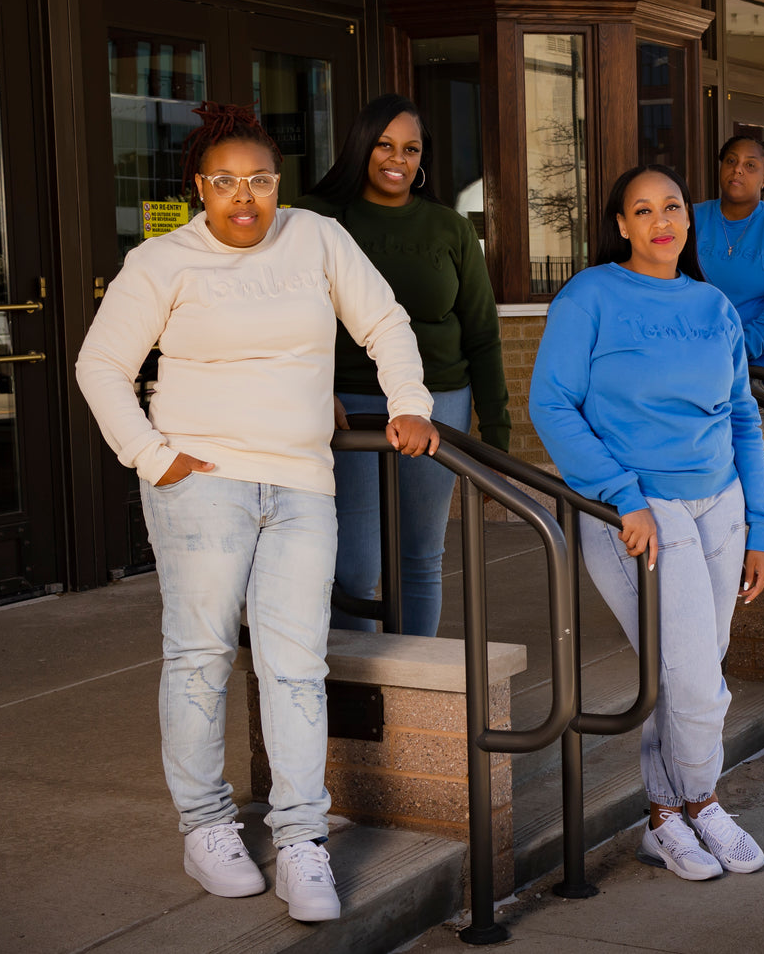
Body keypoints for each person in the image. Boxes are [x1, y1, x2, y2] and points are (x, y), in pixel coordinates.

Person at [75, 102, 439, 922]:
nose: (246, 199)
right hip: (200, 481)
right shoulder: (162, 260)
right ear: (198, 187)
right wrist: (152, 454)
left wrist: (407, 401)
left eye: (261, 181)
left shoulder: (315, 238)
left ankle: (302, 838)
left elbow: (383, 321)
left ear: (280, 184)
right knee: (201, 655)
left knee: (295, 663)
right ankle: (205, 825)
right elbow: (101, 363)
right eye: (227, 183)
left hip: (303, 483)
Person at [530, 164, 764, 881]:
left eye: (671, 206)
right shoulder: (590, 296)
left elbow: (739, 414)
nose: (660, 220)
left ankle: (662, 817)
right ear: (620, 226)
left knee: (686, 671)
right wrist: (619, 494)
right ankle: (701, 802)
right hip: (637, 507)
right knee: (694, 678)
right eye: (642, 210)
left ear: (687, 219)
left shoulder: (712, 305)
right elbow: (551, 405)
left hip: (721, 502)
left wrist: (760, 525)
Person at [297, 94, 508, 637]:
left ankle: (417, 685)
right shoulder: (316, 218)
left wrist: (497, 436)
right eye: (385, 145)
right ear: (360, 147)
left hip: (437, 401)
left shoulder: (450, 229)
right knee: (356, 564)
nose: (398, 158)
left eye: (411, 148)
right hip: (347, 404)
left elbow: (482, 334)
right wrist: (314, 390)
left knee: (419, 554)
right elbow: (287, 317)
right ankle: (361, 693)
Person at [693, 135, 764, 470]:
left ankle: (747, 525)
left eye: (750, 165)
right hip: (697, 365)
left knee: (750, 470)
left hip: (758, 372)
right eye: (730, 160)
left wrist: (740, 347)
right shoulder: (692, 219)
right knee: (702, 465)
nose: (737, 170)